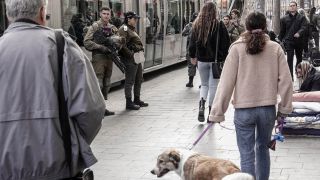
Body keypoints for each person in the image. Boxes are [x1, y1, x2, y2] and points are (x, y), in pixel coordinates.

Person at [0, 0, 105, 179]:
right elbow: (92, 109)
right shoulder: (61, 44)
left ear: (9, 16)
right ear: (42, 12)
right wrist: (73, 143)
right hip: (57, 166)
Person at [209, 12, 293, 180]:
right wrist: (284, 108)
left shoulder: (237, 48)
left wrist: (218, 112)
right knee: (263, 149)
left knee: (246, 155)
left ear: (246, 27)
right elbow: (286, 81)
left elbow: (225, 83)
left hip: (243, 111)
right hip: (267, 110)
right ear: (265, 26)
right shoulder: (275, 48)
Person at [189, 2, 230, 122]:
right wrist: (222, 56)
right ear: (215, 11)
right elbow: (225, 42)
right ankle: (211, 113)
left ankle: (202, 104)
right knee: (213, 85)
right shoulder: (218, 24)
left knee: (204, 84)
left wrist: (192, 56)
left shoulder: (197, 24)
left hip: (201, 60)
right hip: (214, 61)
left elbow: (192, 43)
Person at [84, 7, 117, 116]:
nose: (106, 16)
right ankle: (96, 109)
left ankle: (103, 108)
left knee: (107, 83)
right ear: (100, 14)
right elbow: (87, 42)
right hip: (98, 57)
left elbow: (118, 41)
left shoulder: (112, 28)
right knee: (98, 83)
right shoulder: (95, 26)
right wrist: (100, 47)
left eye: (108, 14)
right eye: (104, 13)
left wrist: (116, 44)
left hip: (109, 58)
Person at [118, 11, 148, 110]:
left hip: (137, 57)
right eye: (134, 19)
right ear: (128, 19)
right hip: (130, 58)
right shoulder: (124, 29)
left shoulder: (131, 29)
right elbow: (122, 45)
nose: (136, 20)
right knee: (130, 80)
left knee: (139, 79)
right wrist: (131, 55)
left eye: (136, 19)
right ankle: (129, 102)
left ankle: (137, 99)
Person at [278, 1, 308, 80]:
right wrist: (279, 40)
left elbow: (304, 27)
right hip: (289, 41)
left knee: (299, 59)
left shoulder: (302, 17)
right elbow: (282, 31)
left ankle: (298, 74)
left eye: (293, 5)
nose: (292, 7)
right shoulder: (284, 19)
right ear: (289, 7)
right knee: (289, 59)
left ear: (296, 7)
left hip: (299, 41)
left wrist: (299, 33)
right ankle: (290, 77)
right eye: (290, 6)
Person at [182, 12, 198, 87]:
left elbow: (183, 33)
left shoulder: (189, 25)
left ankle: (190, 82)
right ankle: (203, 83)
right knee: (201, 66)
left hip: (190, 48)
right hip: (201, 50)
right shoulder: (202, 25)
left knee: (191, 65)